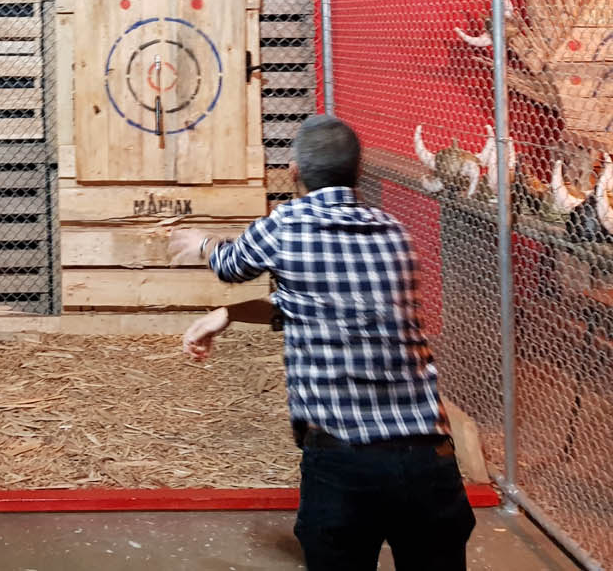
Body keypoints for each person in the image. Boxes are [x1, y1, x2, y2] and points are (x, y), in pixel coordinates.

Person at [170, 114, 474, 570]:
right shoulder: (394, 233)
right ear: (358, 173)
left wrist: (201, 243)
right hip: (428, 461)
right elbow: (322, 305)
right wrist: (229, 315)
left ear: (294, 171)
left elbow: (232, 265)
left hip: (345, 462)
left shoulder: (287, 223)